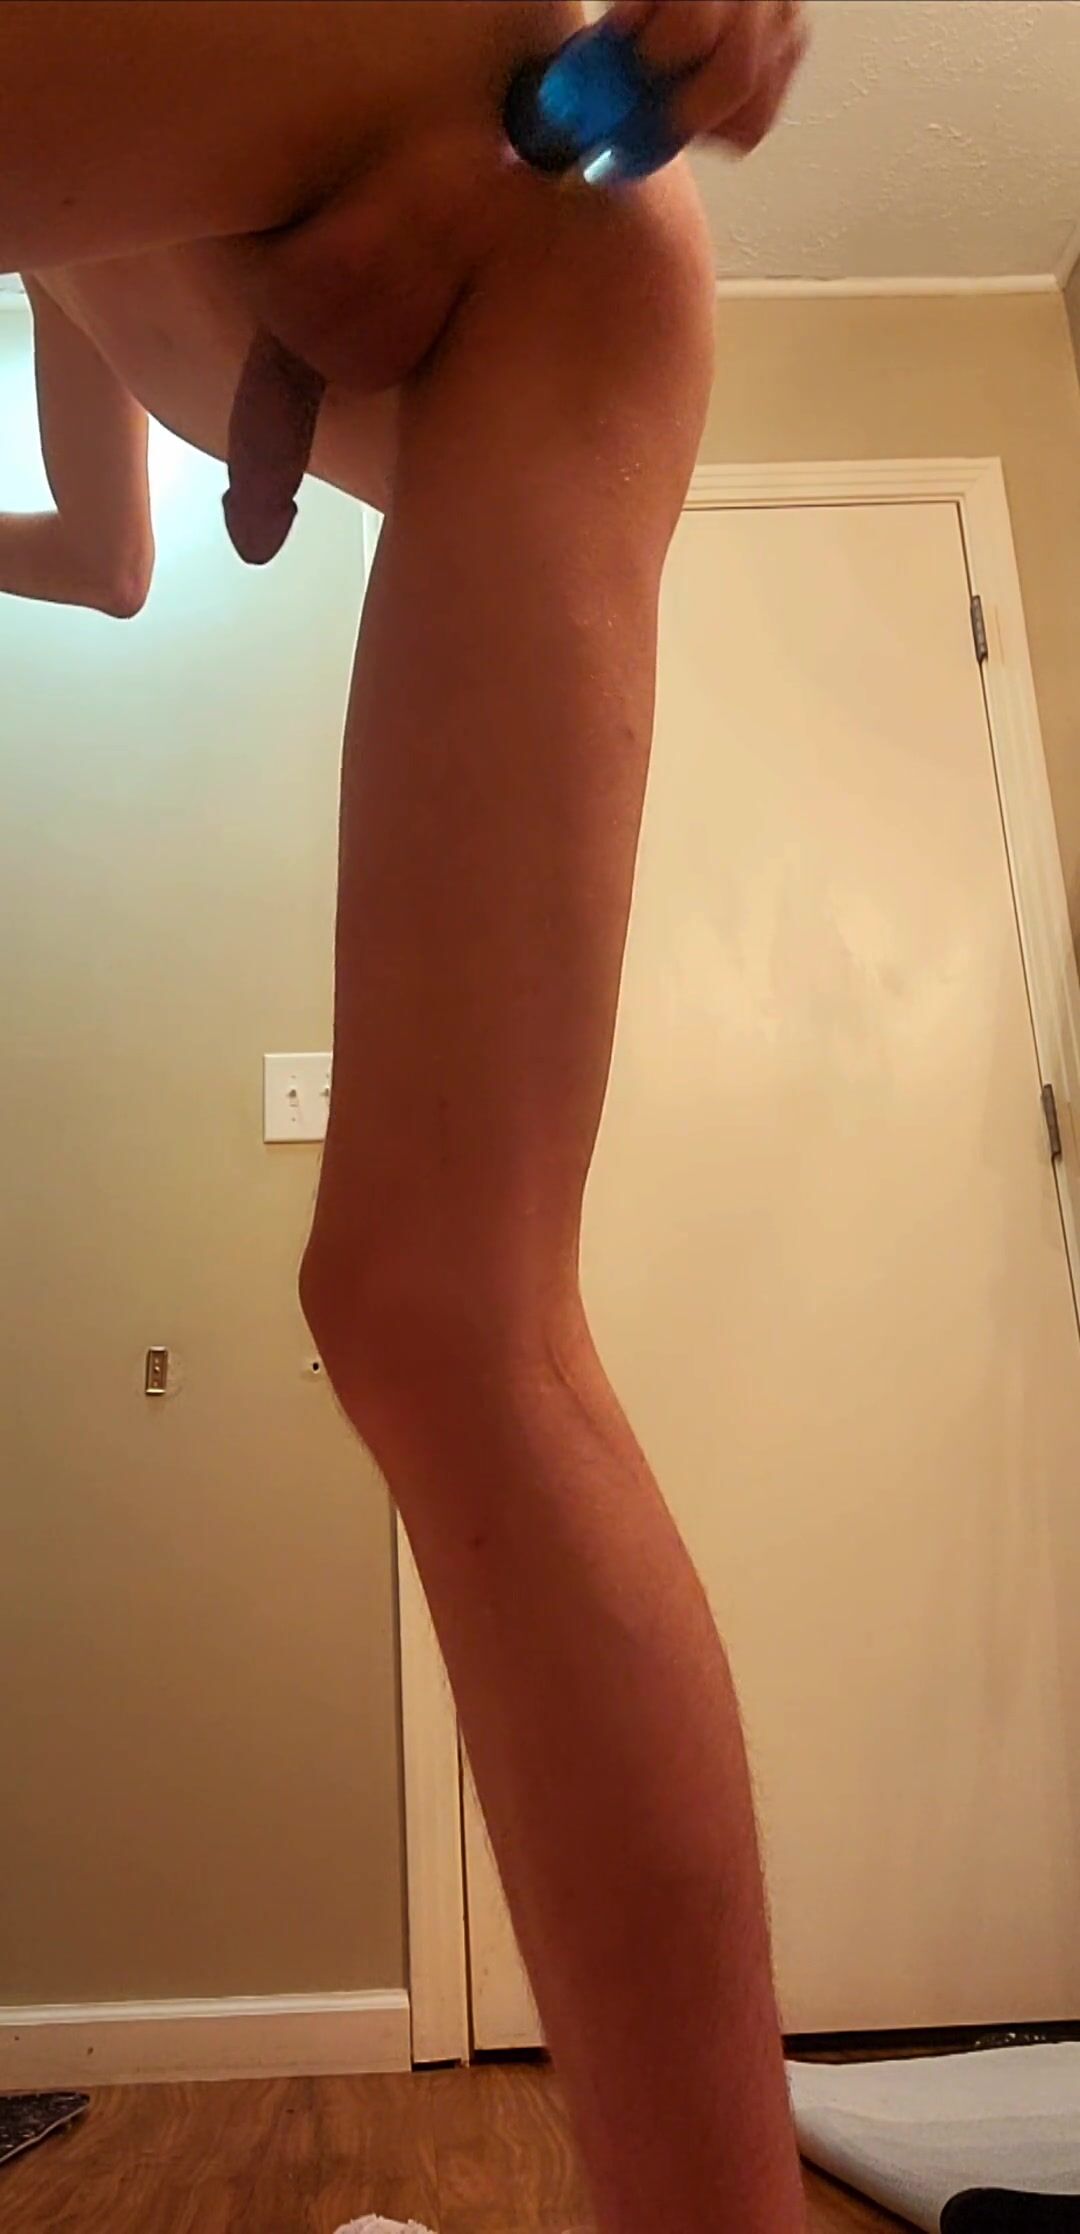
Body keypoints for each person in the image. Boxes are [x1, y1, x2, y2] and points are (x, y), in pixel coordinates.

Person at [1, 6, 809, 2230]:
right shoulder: (68, 231)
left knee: (460, 1310)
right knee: (434, 1310)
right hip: (568, 279)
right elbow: (110, 555)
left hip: (557, 169)